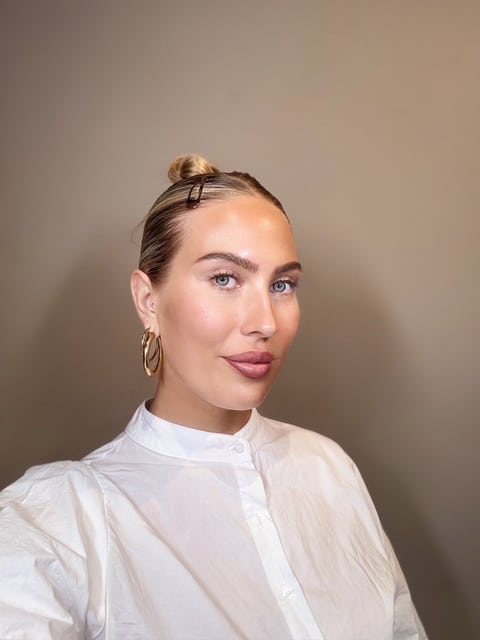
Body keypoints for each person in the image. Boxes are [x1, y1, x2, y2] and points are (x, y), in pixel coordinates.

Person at [0, 155, 427, 639]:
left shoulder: (328, 468)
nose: (265, 322)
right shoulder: (61, 520)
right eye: (225, 279)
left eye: (282, 285)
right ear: (148, 301)